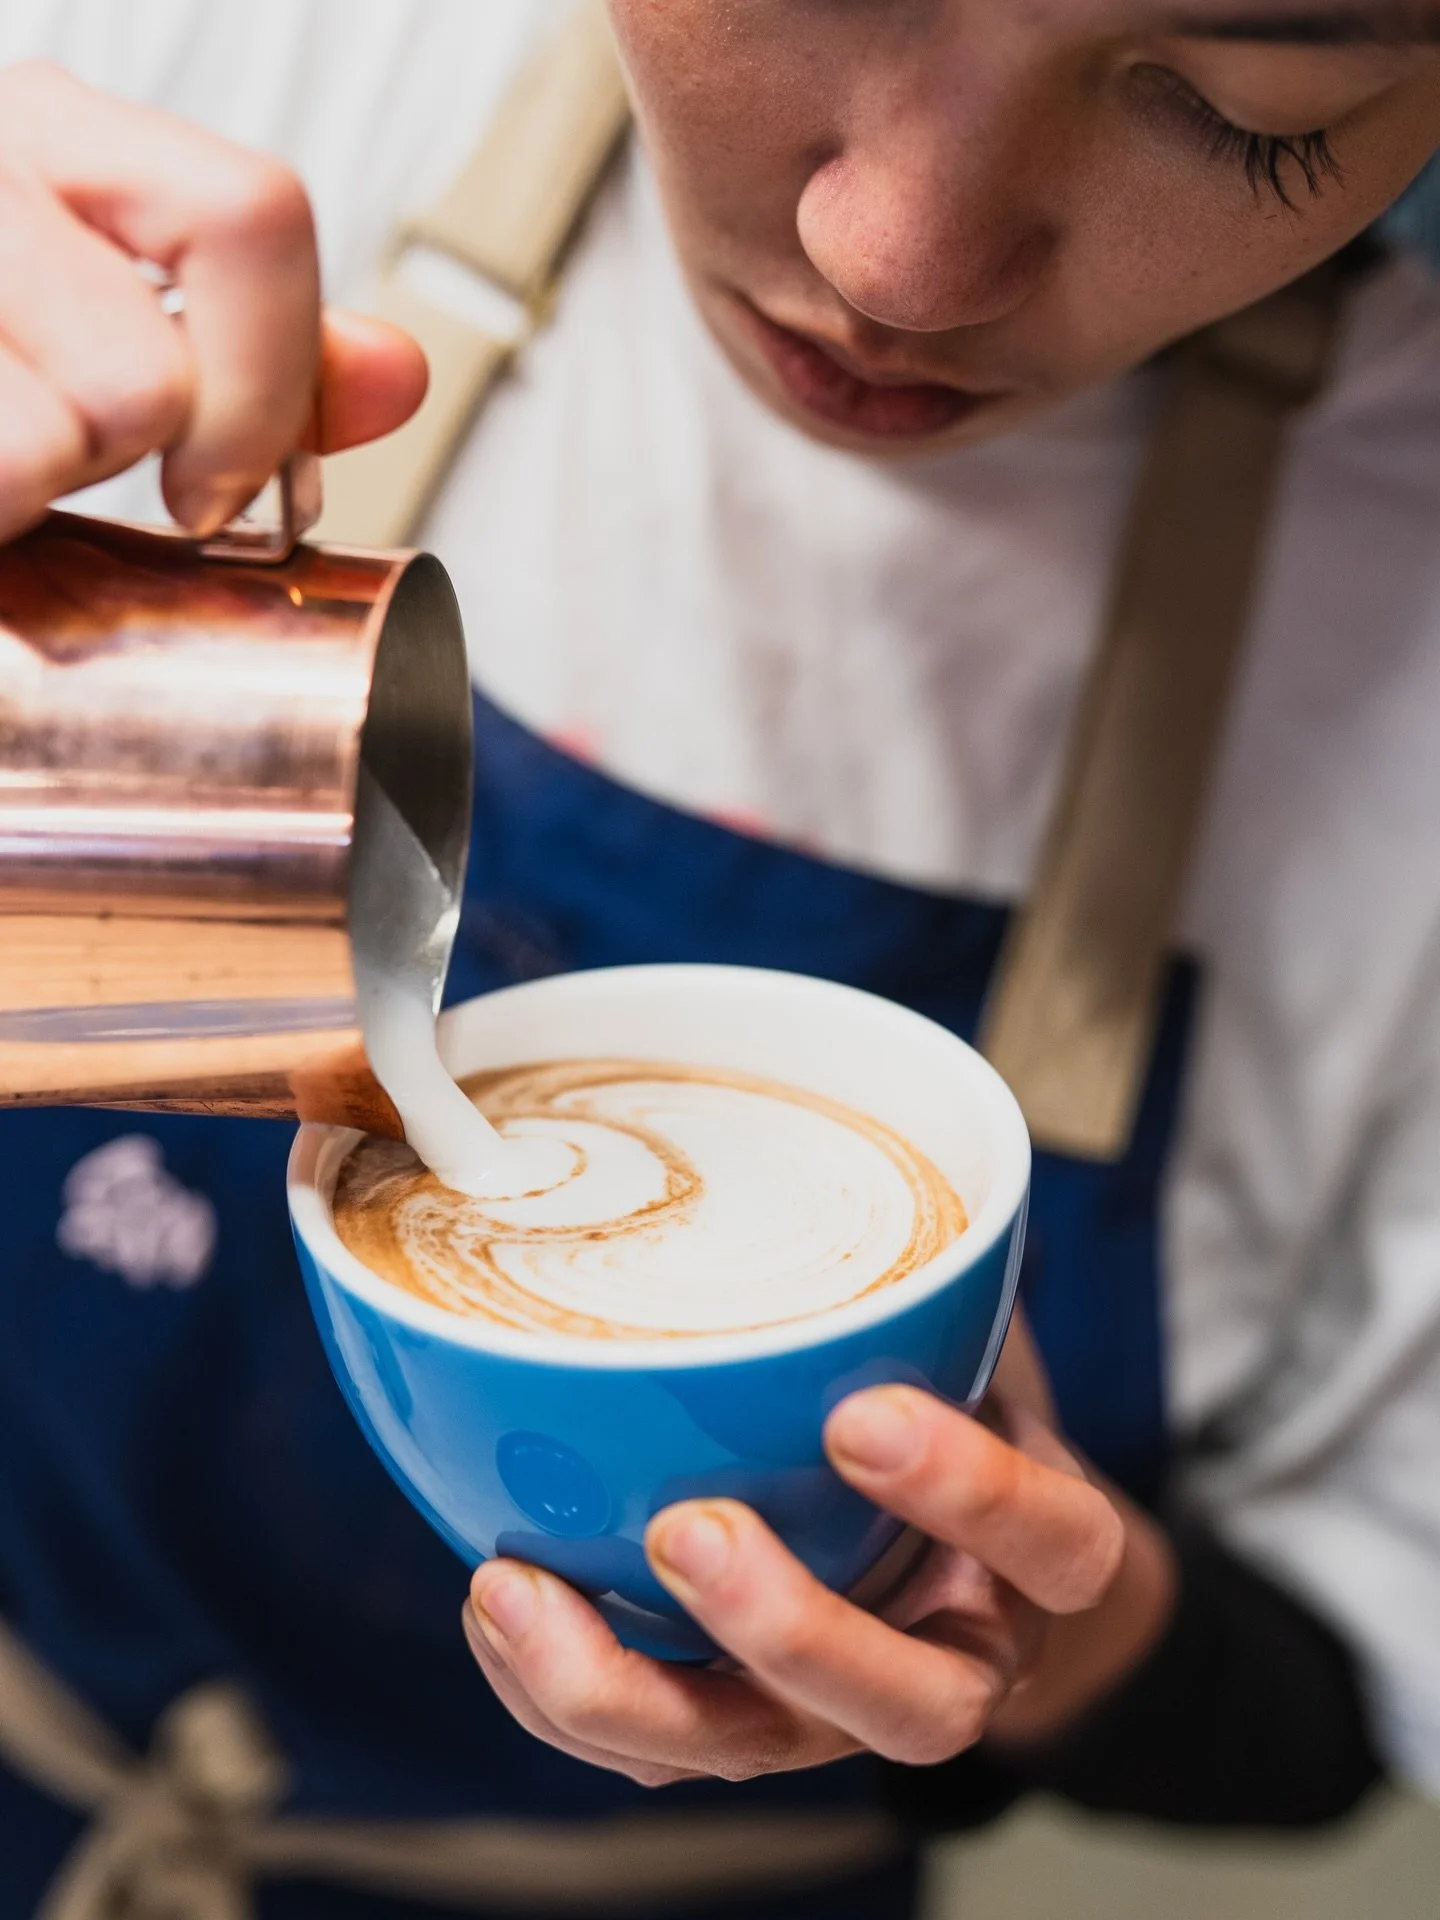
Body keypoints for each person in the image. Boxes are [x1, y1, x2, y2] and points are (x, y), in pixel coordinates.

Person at [2, 0, 1440, 1913]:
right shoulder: (175, 78)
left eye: (1245, 112)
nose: (898, 258)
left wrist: (1048, 1621)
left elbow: (1322, 1721)